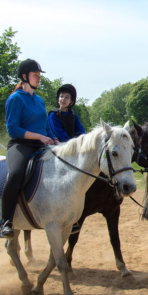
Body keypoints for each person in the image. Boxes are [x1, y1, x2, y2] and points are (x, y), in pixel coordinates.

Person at [0, 59, 58, 239]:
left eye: (39, 75)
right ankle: (6, 221)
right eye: (36, 75)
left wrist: (53, 138)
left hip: (42, 144)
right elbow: (13, 129)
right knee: (16, 174)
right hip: (21, 145)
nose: (39, 78)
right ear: (24, 77)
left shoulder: (39, 100)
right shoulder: (14, 99)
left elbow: (45, 125)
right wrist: (39, 137)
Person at [48, 83, 87, 234]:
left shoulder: (72, 115)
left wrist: (81, 141)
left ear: (71, 101)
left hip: (73, 148)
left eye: (66, 97)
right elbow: (59, 133)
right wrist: (73, 145)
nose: (62, 99)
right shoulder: (53, 115)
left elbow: (81, 130)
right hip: (60, 147)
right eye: (61, 96)